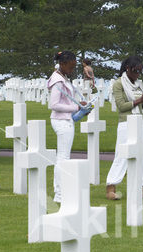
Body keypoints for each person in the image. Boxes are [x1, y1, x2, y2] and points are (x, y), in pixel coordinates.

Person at [105, 56, 143, 200]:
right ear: (127, 68)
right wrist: (139, 100)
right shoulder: (118, 84)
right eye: (135, 71)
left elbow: (142, 106)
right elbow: (121, 107)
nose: (137, 74)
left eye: (140, 72)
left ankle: (142, 188)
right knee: (122, 155)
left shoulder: (138, 84)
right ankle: (111, 187)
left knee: (142, 155)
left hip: (141, 120)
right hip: (126, 122)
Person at [47, 50, 87, 203]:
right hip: (61, 121)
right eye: (71, 67)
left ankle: (62, 192)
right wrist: (76, 107)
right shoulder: (58, 80)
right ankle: (59, 194)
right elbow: (54, 104)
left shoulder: (63, 77)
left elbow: (66, 104)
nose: (72, 70)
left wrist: (81, 110)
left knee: (64, 157)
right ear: (62, 64)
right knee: (62, 158)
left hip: (66, 120)